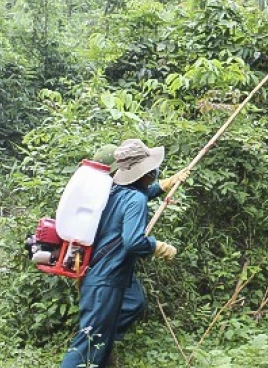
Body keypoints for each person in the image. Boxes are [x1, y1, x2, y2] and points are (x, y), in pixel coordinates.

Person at [60, 139, 189, 368]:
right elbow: (133, 242)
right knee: (89, 341)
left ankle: (104, 339)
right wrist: (157, 247)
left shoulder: (119, 190)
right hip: (106, 276)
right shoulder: (135, 199)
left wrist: (165, 185)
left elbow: (137, 195)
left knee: (134, 303)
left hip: (113, 272)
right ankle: (98, 343)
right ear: (144, 171)